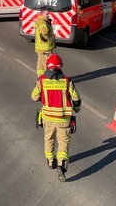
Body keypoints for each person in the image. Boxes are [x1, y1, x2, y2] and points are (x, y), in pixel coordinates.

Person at [31, 54, 81, 182]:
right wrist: (77, 110)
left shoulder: (41, 80)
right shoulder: (67, 81)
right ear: (60, 66)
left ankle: (50, 161)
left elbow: (34, 97)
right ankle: (61, 166)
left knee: (49, 139)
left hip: (48, 117)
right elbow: (76, 99)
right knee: (63, 142)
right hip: (63, 119)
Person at [34, 7, 56, 76]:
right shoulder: (43, 23)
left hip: (40, 48)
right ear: (42, 13)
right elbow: (43, 36)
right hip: (45, 48)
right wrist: (49, 42)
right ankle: (48, 80)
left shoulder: (40, 21)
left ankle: (40, 78)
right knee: (48, 65)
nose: (48, 15)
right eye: (47, 14)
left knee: (40, 65)